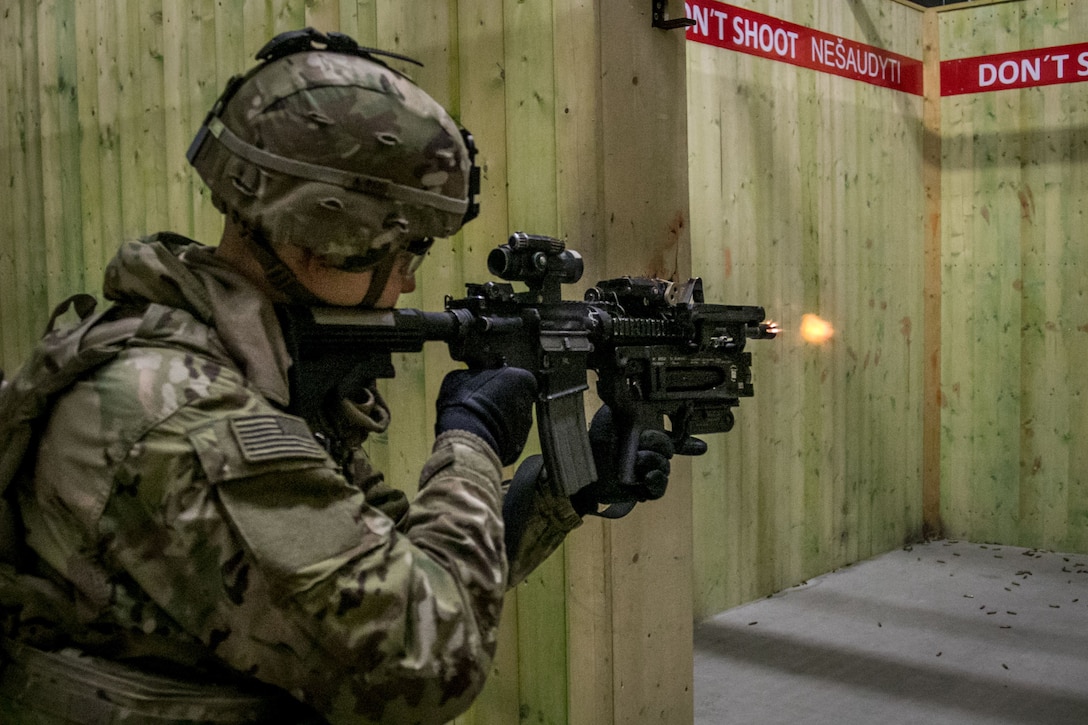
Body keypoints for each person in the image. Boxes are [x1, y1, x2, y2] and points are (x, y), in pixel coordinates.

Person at [0, 28, 695, 724]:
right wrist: (472, 443)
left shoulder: (227, 367)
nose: (405, 281)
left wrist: (563, 489)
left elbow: (400, 565)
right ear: (332, 233)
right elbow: (428, 660)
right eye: (406, 251)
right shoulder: (186, 419)